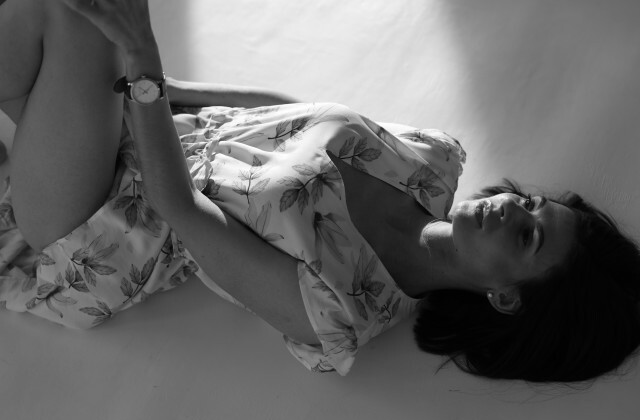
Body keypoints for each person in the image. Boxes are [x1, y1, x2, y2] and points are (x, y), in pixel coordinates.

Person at [1, 0, 639, 382]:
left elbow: (180, 210)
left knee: (74, 16)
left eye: (526, 237)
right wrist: (151, 80)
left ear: (506, 297)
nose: (509, 208)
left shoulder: (342, 311)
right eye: (531, 204)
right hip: (140, 124)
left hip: (101, 224)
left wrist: (139, 52)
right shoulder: (433, 163)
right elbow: (286, 115)